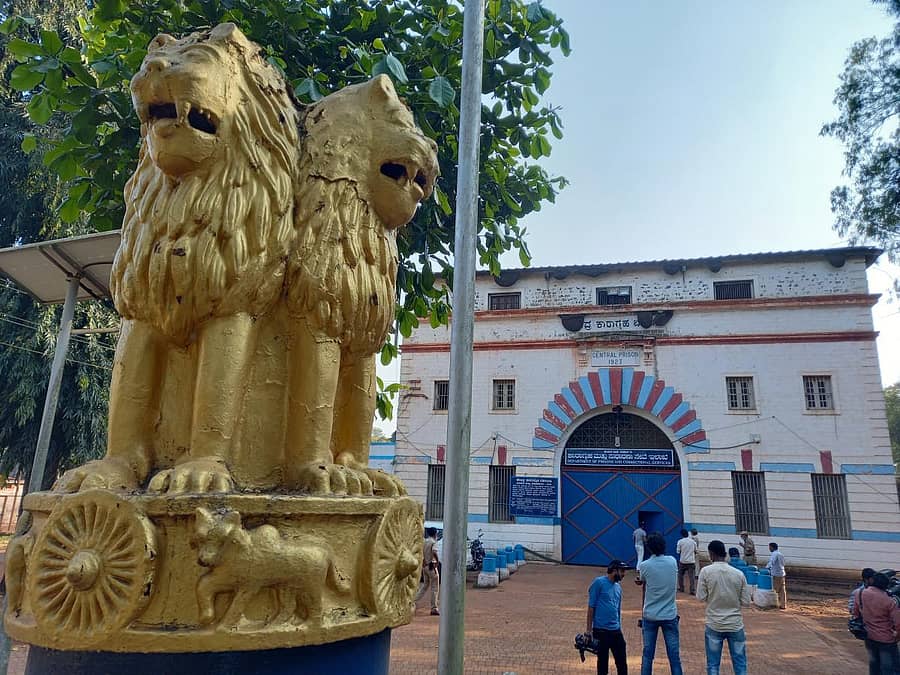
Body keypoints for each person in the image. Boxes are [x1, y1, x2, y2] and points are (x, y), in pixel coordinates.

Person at [697, 539, 752, 675]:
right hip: (735, 624)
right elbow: (746, 601)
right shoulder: (738, 574)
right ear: (724, 553)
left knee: (713, 665)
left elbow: (701, 597)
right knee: (740, 664)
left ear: (711, 554)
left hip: (714, 624)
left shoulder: (705, 572)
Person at [636, 533, 683, 675]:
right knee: (674, 656)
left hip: (650, 615)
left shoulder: (644, 566)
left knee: (648, 655)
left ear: (649, 548)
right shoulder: (672, 561)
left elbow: (644, 580)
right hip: (669, 615)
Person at [586, 560, 629, 675]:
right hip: (601, 630)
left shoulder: (618, 588)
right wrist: (589, 630)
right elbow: (591, 607)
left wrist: (619, 626)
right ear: (614, 570)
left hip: (615, 630)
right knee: (602, 665)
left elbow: (617, 610)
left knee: (622, 664)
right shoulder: (599, 583)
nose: (624, 574)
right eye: (622, 571)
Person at [852, 571, 900, 674]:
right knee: (889, 668)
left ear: (872, 581)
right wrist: (897, 636)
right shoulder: (889, 601)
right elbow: (898, 622)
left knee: (874, 666)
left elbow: (855, 613)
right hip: (886, 639)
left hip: (868, 635)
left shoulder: (859, 593)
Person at [414, 527, 440, 616]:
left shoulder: (424, 542)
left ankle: (413, 601)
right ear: (435, 534)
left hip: (425, 566)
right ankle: (434, 608)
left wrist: (423, 561)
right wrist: (437, 560)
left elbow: (420, 552)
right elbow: (434, 552)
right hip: (432, 566)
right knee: (435, 588)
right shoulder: (433, 542)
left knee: (425, 586)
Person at [676, 529, 697, 595]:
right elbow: (696, 551)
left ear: (682, 535)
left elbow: (678, 551)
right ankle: (692, 590)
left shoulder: (680, 542)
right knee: (691, 576)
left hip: (683, 561)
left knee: (680, 575)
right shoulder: (693, 542)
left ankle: (681, 588)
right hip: (691, 561)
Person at [766, 542, 786, 610]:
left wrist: (766, 568)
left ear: (772, 547)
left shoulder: (774, 554)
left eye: (769, 547)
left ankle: (774, 604)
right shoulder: (780, 554)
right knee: (782, 590)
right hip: (782, 573)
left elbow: (771, 562)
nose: (769, 549)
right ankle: (783, 604)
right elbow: (783, 563)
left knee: (774, 590)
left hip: (775, 574)